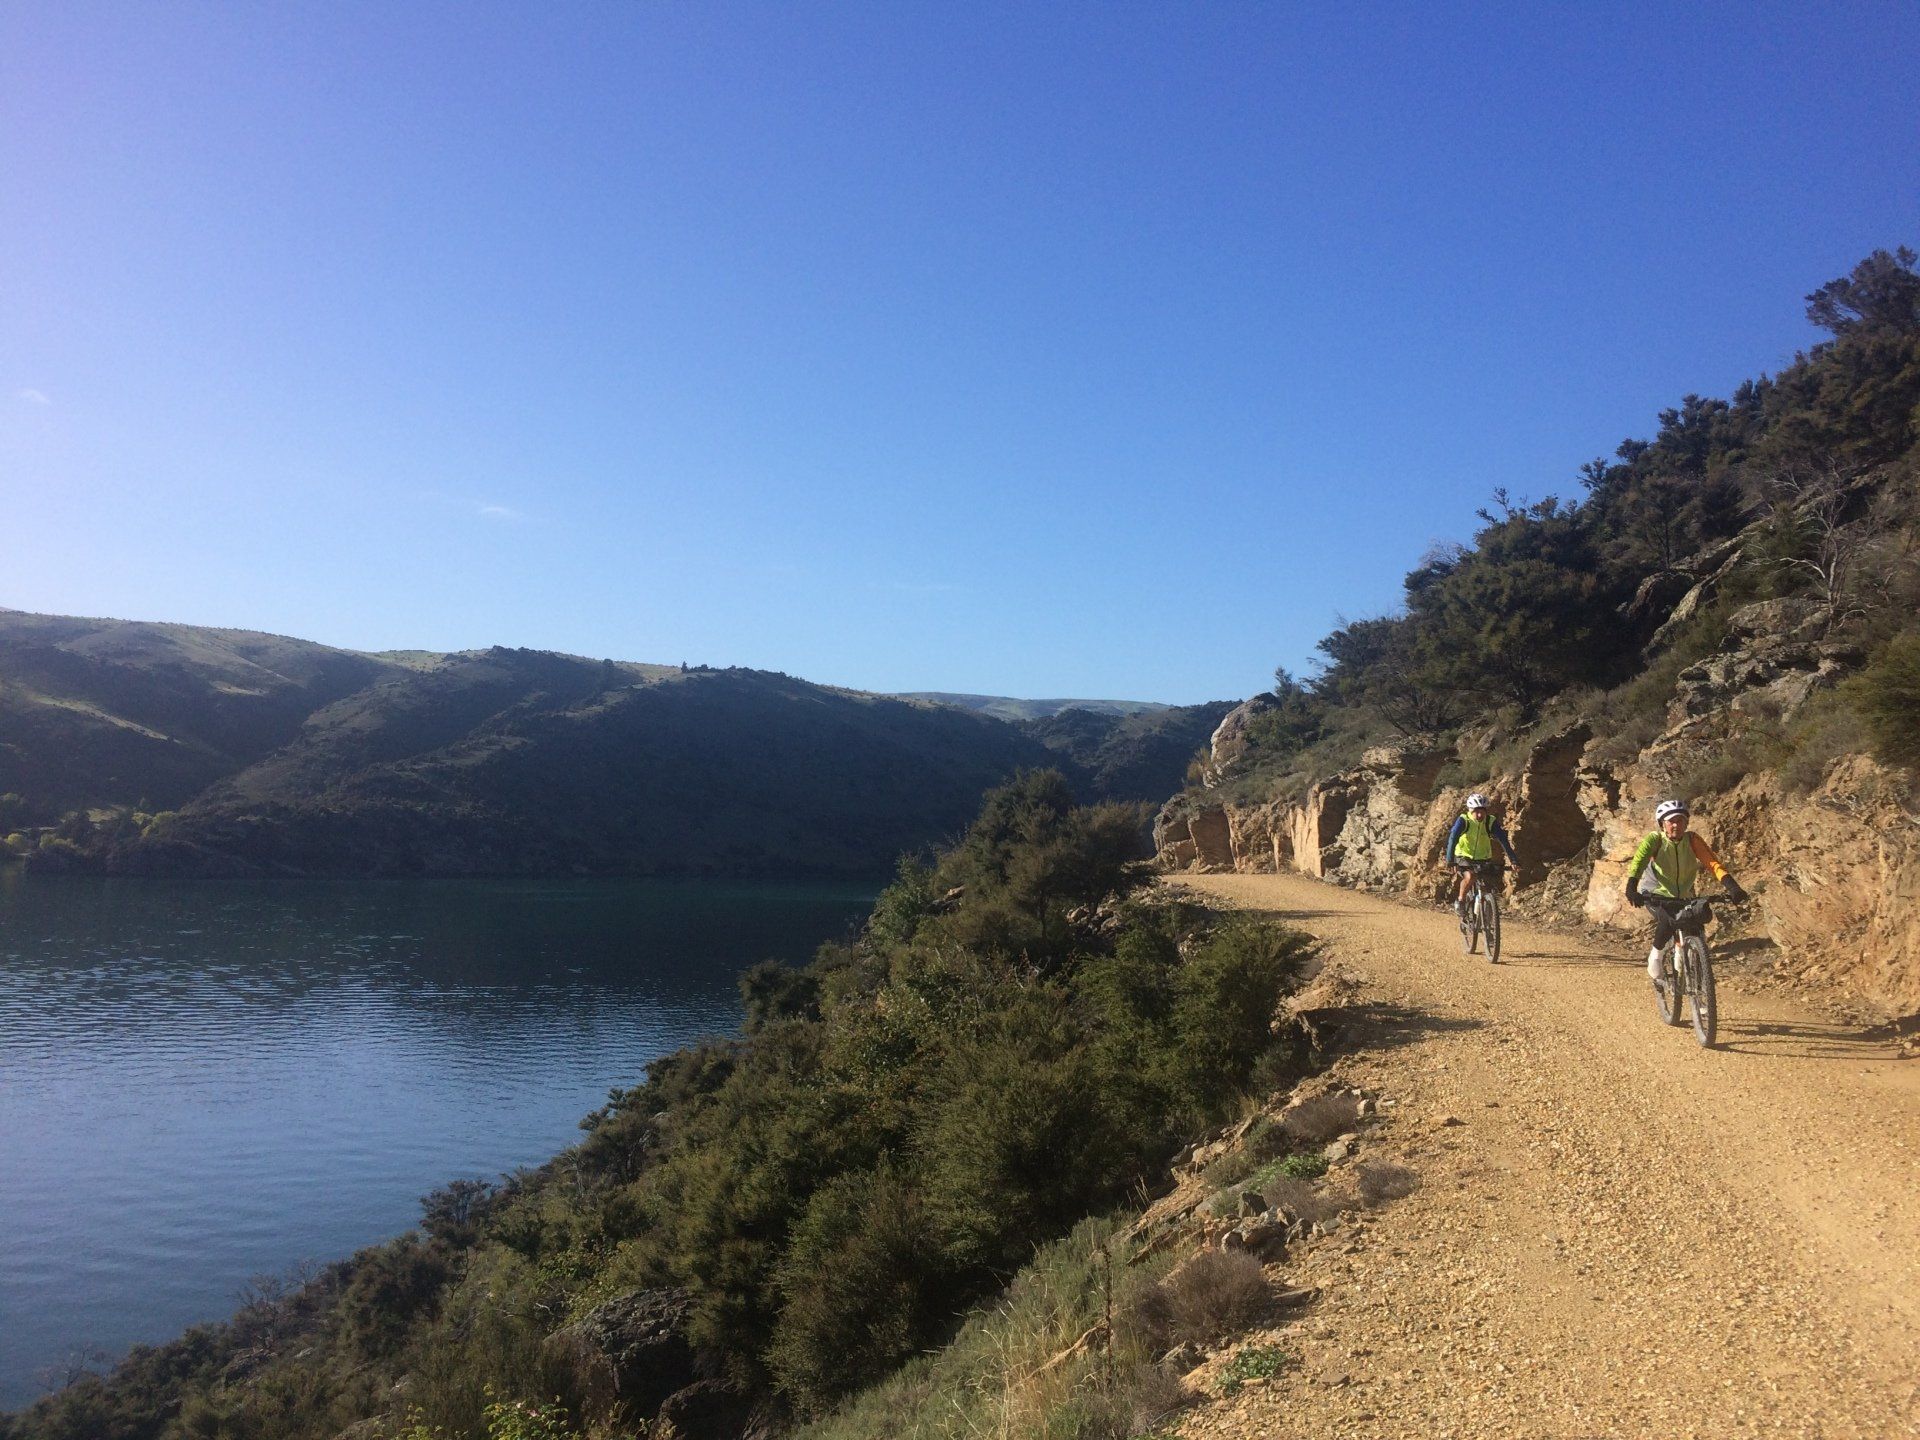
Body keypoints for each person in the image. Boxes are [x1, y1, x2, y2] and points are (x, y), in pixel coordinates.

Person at [1622, 799, 1749, 979]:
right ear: (1662, 824)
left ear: (1686, 823)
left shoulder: (1692, 840)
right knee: (1668, 920)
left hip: (1684, 894)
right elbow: (1638, 862)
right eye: (1671, 821)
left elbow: (1712, 863)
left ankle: (1693, 970)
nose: (1676, 825)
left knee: (1695, 923)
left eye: (1680, 820)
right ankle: (1656, 956)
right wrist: (1631, 887)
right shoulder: (1655, 840)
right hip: (1655, 893)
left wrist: (1733, 887)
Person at [1445, 793, 1517, 917]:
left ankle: (1488, 914)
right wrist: (1450, 860)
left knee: (1487, 883)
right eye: (1476, 812)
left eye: (1482, 811)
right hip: (1463, 856)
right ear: (1470, 810)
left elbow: (1503, 840)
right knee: (1470, 876)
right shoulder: (1464, 820)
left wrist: (1514, 860)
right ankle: (1461, 901)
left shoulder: (1490, 821)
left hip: (1483, 857)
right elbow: (1453, 838)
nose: (1479, 815)